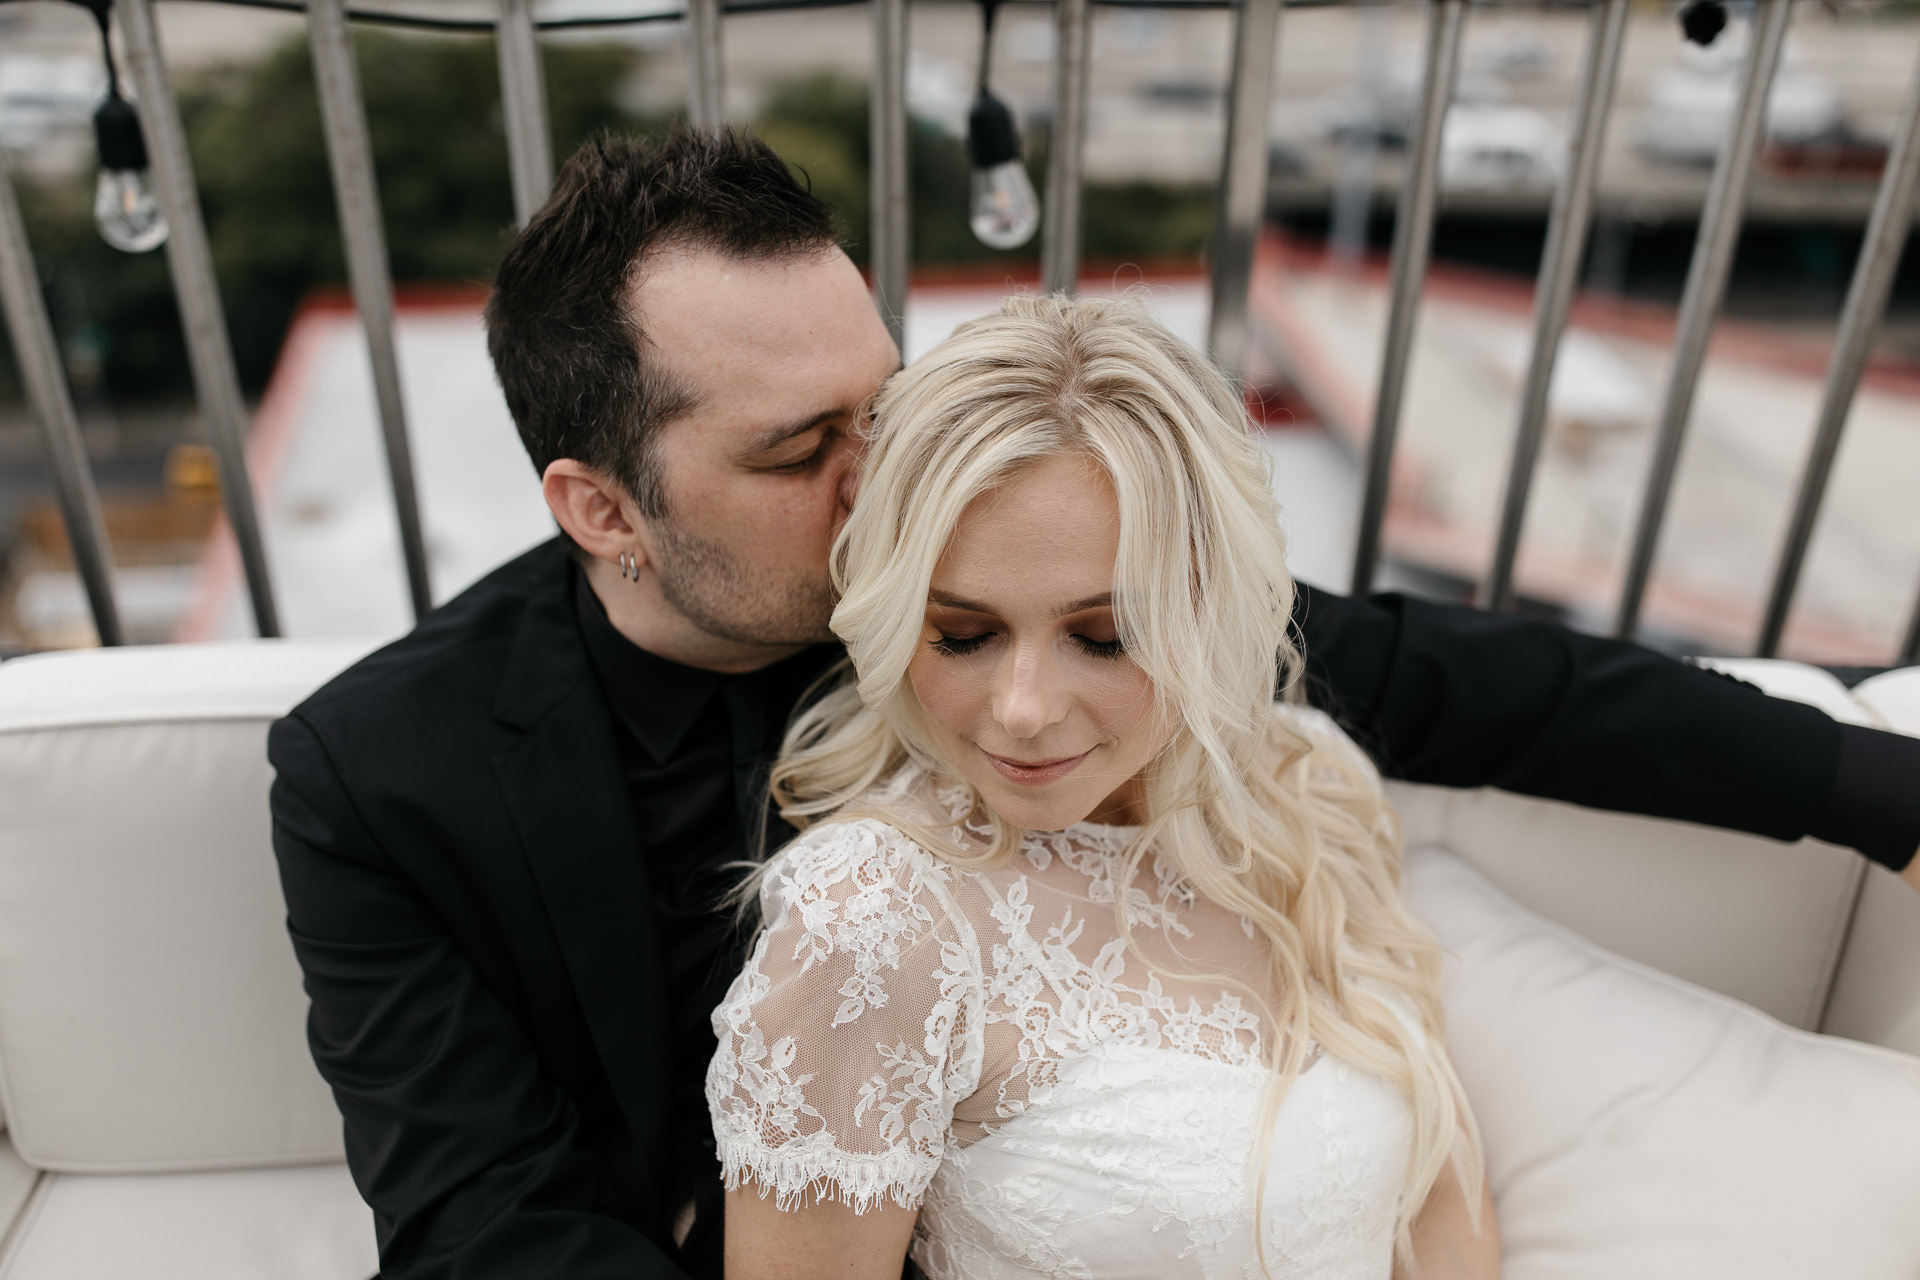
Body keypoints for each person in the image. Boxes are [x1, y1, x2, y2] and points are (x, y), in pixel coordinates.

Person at [267, 126, 1920, 1280]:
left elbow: (1470, 681)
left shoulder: (1001, 590)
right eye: (799, 452)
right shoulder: (374, 774)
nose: (887, 479)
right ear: (602, 510)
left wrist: (1879, 790)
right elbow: (481, 1224)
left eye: (881, 401)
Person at [709, 294, 1497, 1280]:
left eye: (1104, 634)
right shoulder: (867, 925)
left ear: (1207, 604)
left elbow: (1442, 1197)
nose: (1024, 707)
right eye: (962, 632)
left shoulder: (1312, 788)